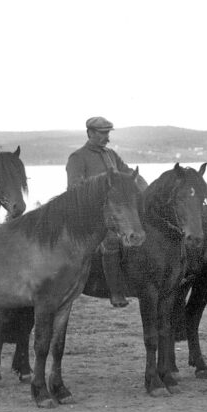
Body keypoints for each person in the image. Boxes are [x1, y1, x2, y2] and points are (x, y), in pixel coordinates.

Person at [66, 116, 147, 308]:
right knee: (111, 240)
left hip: (115, 211)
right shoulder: (78, 158)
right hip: (92, 216)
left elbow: (129, 175)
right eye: (103, 134)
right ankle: (116, 292)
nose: (107, 138)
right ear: (90, 133)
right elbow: (74, 191)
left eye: (108, 133)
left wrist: (147, 190)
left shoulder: (111, 155)